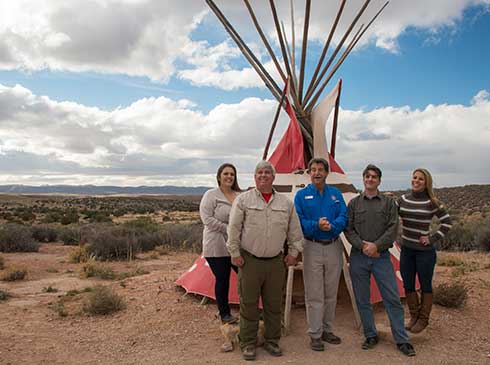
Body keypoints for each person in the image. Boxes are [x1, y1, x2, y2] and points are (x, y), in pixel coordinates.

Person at [227, 160, 304, 361]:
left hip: (275, 262)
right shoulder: (244, 200)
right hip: (250, 261)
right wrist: (234, 252)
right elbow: (233, 229)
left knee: (273, 305)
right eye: (259, 173)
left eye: (267, 173)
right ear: (255, 177)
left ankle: (272, 341)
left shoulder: (286, 203)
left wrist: (294, 252)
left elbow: (294, 231)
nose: (263, 176)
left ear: (273, 177)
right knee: (249, 304)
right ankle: (248, 343)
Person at [344, 164, 416, 357]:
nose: (370, 179)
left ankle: (401, 339)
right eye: (367, 176)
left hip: (382, 257)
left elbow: (393, 229)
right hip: (359, 257)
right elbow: (348, 229)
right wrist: (363, 246)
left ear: (379, 180)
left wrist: (376, 246)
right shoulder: (354, 204)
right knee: (362, 299)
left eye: (374, 177)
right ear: (363, 179)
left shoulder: (388, 203)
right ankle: (370, 335)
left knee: (391, 298)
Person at [294, 157, 347, 352]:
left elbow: (344, 215)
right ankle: (315, 334)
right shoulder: (301, 196)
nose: (317, 173)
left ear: (326, 173)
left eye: (320, 169)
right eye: (313, 169)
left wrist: (332, 226)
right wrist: (316, 225)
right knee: (314, 293)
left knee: (330, 292)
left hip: (333, 245)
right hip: (312, 246)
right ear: (309, 173)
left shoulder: (335, 194)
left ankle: (327, 330)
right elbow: (299, 221)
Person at [399, 168, 452, 333]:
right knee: (407, 284)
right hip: (406, 249)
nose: (416, 181)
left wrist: (432, 238)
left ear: (426, 182)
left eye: (420, 179)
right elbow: (389, 214)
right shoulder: (403, 200)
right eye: (414, 177)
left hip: (424, 252)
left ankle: (423, 319)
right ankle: (414, 316)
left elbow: (447, 223)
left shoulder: (432, 202)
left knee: (425, 285)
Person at [200, 163, 241, 324]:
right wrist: (229, 229)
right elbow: (207, 219)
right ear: (219, 176)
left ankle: (249, 309)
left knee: (245, 277)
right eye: (226, 174)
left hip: (236, 245)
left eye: (232, 174)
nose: (229, 177)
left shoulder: (239, 196)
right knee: (222, 278)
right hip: (216, 245)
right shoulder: (211, 195)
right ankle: (225, 314)